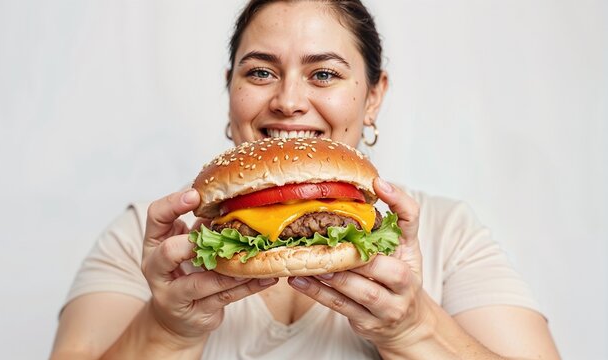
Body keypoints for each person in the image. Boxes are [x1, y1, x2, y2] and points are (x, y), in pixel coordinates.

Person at [51, 1, 560, 359]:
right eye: (259, 72)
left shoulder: (451, 233)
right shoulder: (151, 239)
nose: (289, 100)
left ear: (374, 95)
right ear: (229, 91)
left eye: (323, 74)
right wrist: (166, 330)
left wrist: (413, 328)